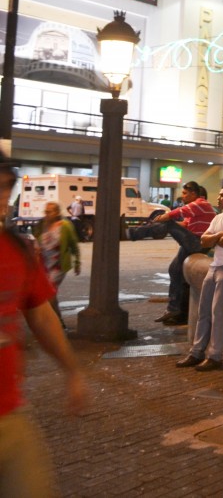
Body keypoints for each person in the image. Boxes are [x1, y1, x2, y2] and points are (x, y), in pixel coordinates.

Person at [1, 155, 89, 496]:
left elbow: (40, 315)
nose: (0, 198)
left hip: (9, 413)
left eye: (4, 188)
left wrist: (72, 371)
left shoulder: (17, 250)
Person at [176, 184, 223, 372]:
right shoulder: (219, 218)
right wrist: (220, 235)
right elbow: (203, 240)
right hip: (214, 267)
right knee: (204, 311)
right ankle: (196, 352)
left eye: (222, 195)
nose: (218, 198)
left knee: (218, 312)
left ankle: (215, 355)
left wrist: (216, 237)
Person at [129, 181, 216, 326]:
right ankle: (174, 309)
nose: (182, 196)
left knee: (168, 223)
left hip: (197, 242)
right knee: (174, 270)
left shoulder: (201, 203)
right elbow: (184, 224)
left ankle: (133, 233)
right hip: (191, 241)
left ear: (194, 194)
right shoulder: (195, 210)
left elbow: (179, 212)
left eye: (185, 193)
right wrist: (162, 223)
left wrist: (166, 218)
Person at [34, 201, 81, 329]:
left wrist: (77, 262)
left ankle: (57, 322)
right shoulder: (41, 224)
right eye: (46, 211)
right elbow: (36, 240)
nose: (47, 214)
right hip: (43, 264)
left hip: (58, 265)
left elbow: (73, 244)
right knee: (46, 294)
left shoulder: (65, 226)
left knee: (49, 292)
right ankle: (53, 320)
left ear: (56, 213)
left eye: (49, 212)